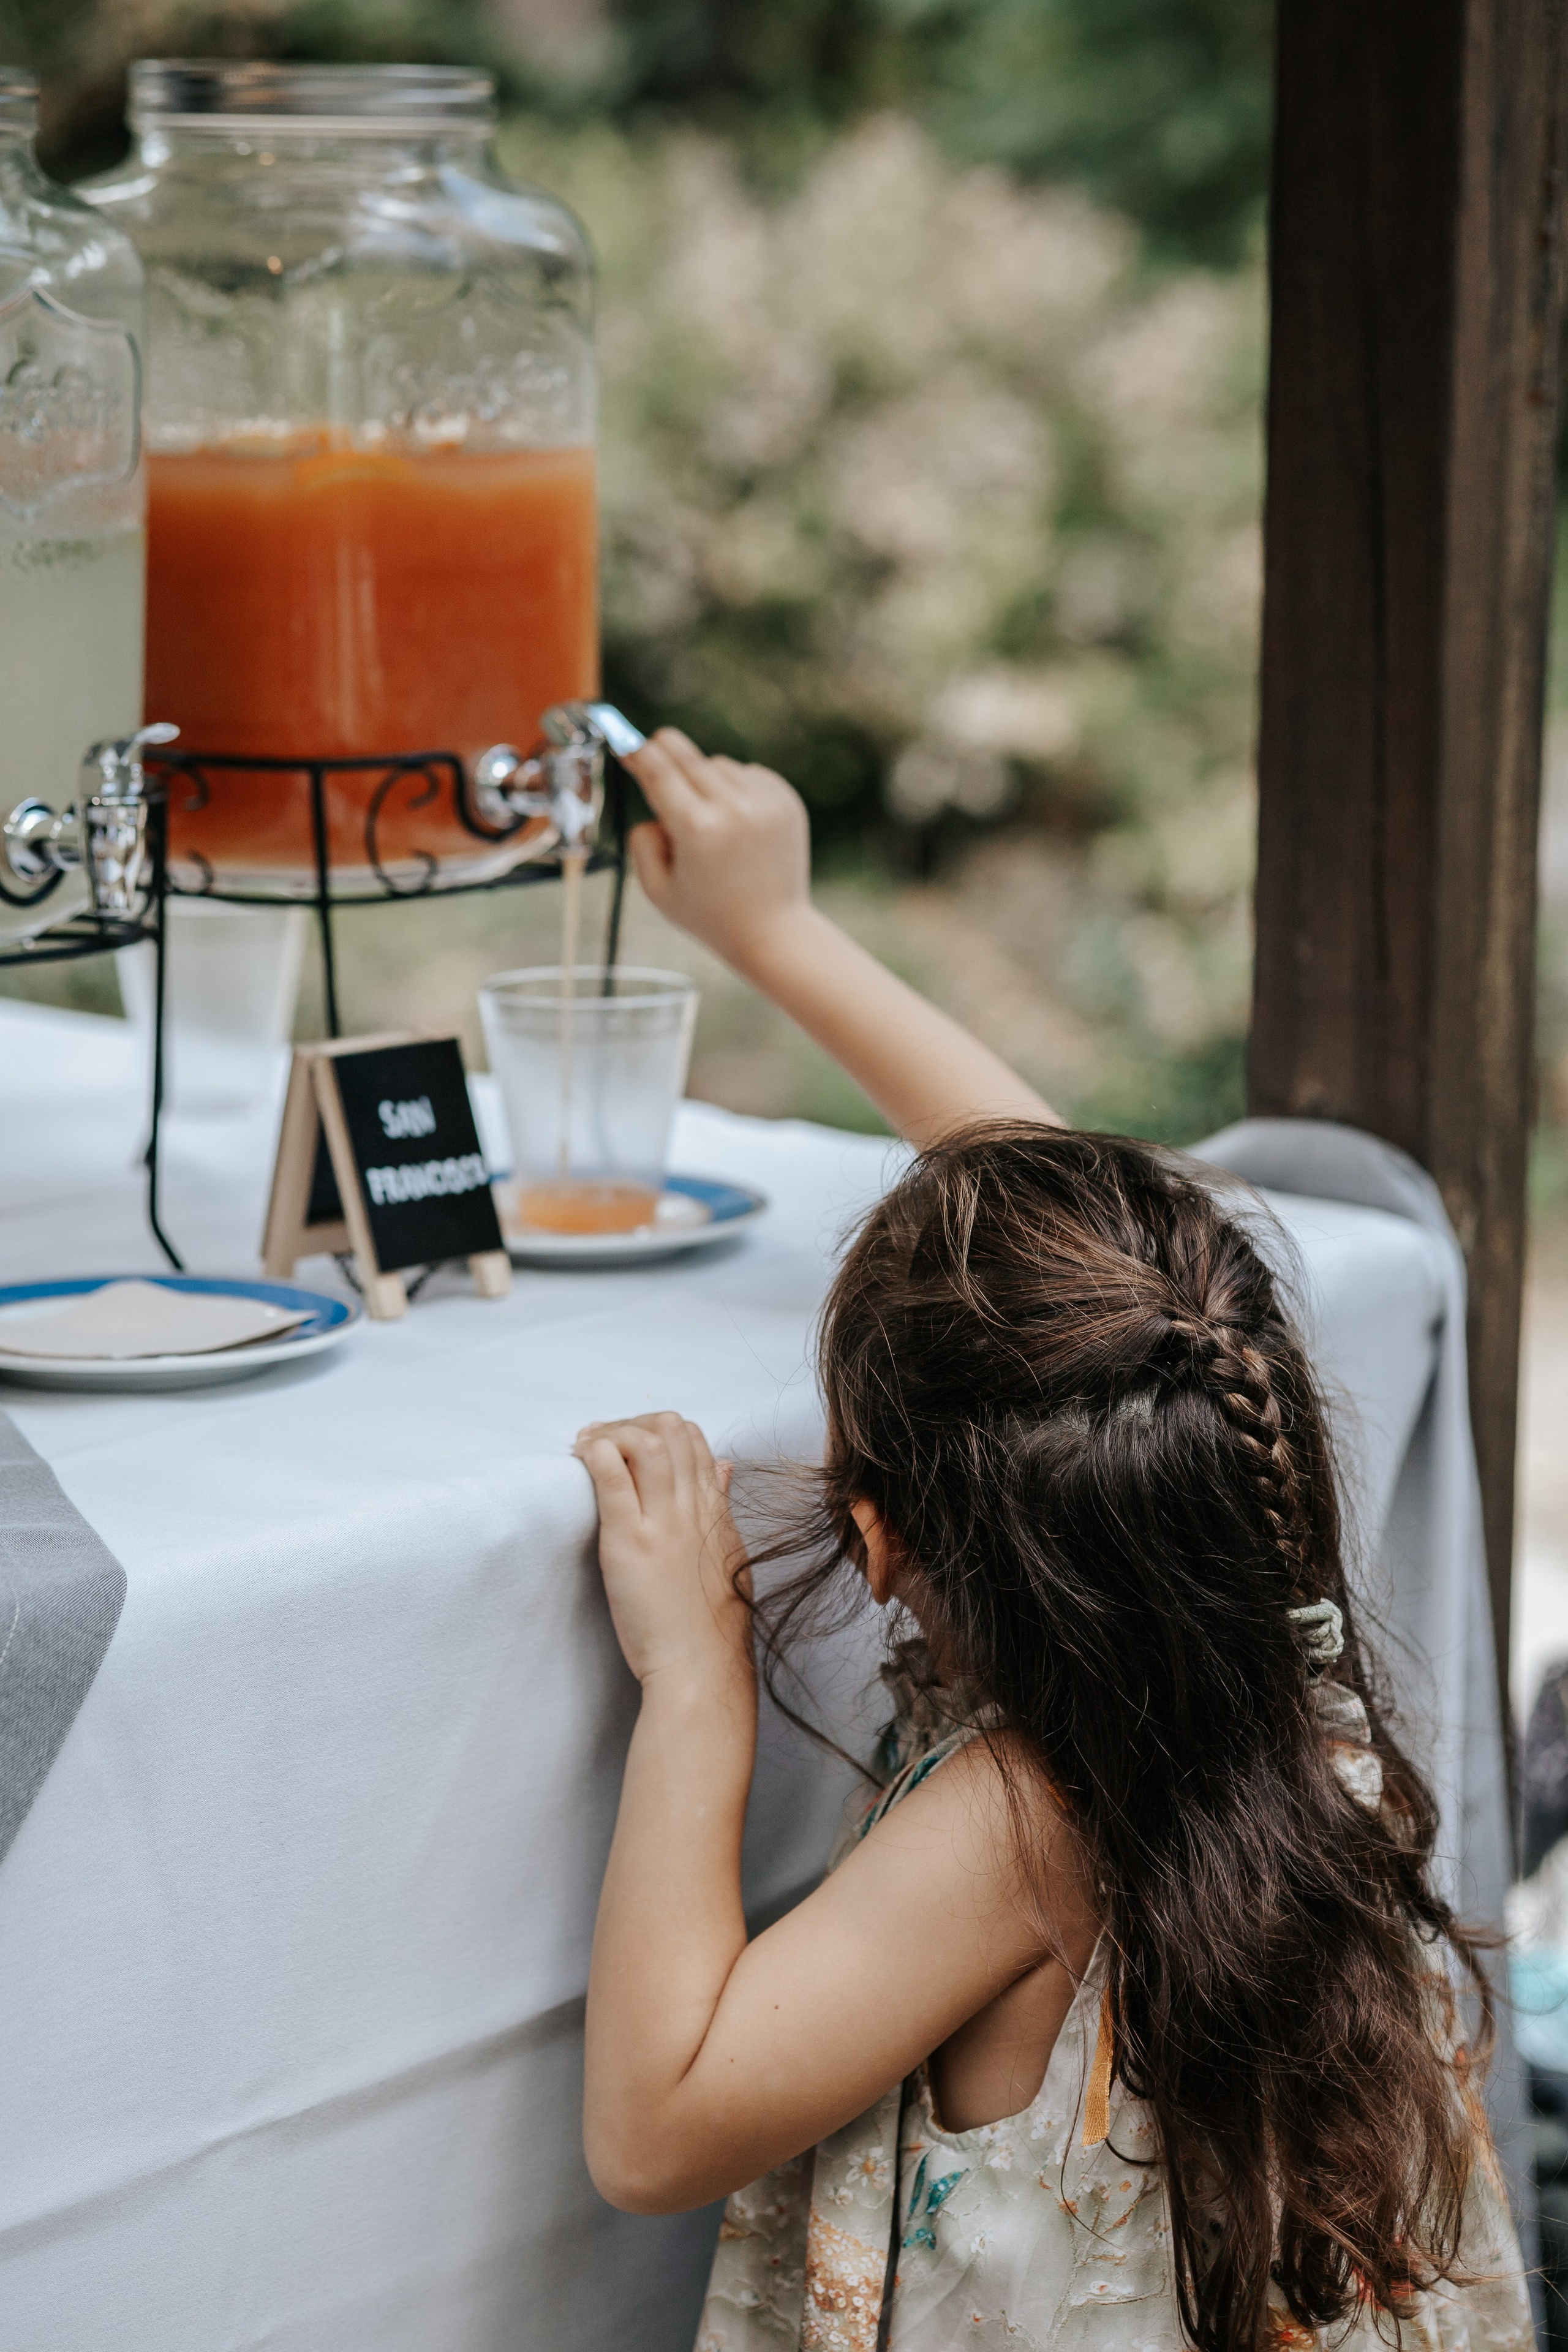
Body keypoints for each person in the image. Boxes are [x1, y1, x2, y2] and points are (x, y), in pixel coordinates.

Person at [572, 729, 1531, 2352]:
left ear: (879, 1541)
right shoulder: (1244, 1529)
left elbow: (653, 2130)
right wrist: (774, 931)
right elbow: (1084, 1261)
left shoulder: (1019, 1822)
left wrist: (696, 1687)